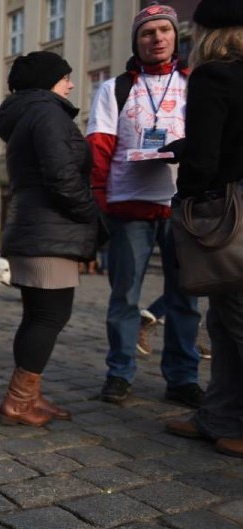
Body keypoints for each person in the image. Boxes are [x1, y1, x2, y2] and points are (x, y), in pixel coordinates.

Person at [86, 3, 203, 407]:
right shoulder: (114, 88)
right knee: (125, 297)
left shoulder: (195, 82)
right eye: (148, 33)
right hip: (128, 205)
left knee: (186, 297)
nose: (156, 39)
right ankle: (119, 373)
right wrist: (101, 196)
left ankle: (183, 377)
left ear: (175, 36)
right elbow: (99, 144)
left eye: (163, 31)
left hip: (182, 205)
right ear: (137, 41)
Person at [0, 51, 101, 426]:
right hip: (49, 231)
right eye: (67, 77)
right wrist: (93, 214)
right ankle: (19, 401)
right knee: (49, 316)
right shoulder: (48, 113)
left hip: (35, 228)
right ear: (50, 81)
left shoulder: (30, 114)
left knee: (38, 315)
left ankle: (28, 395)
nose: (71, 85)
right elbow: (62, 177)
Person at [164, 0, 243, 458]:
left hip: (230, 213)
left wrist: (186, 197)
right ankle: (219, 416)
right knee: (223, 320)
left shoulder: (215, 76)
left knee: (236, 318)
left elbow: (206, 159)